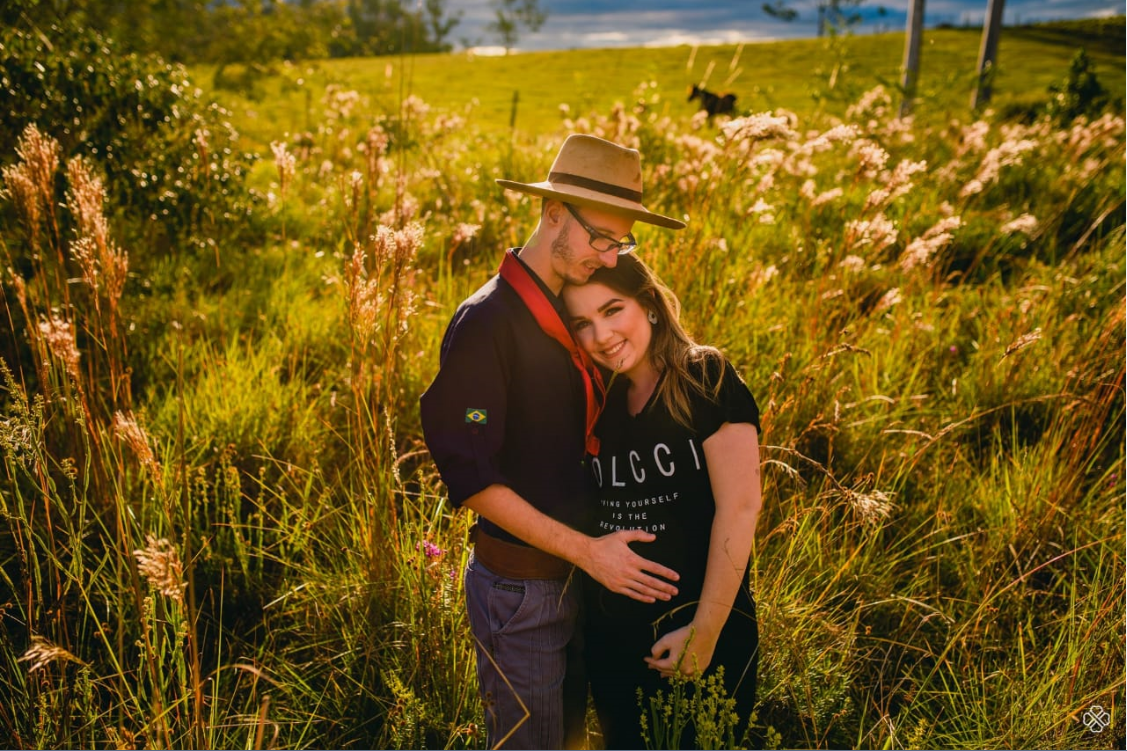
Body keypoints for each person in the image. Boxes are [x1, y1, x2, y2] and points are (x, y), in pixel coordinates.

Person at [419, 134, 687, 749]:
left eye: (622, 241)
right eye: (602, 238)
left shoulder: (573, 306)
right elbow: (472, 478)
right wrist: (589, 552)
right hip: (521, 594)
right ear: (553, 213)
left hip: (578, 581)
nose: (610, 255)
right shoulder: (487, 321)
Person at [562, 253, 763, 750]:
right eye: (582, 323)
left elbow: (741, 507)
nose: (601, 336)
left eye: (613, 310)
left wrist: (705, 631)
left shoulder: (703, 375)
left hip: (698, 638)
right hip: (613, 645)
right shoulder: (600, 399)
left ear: (649, 304)